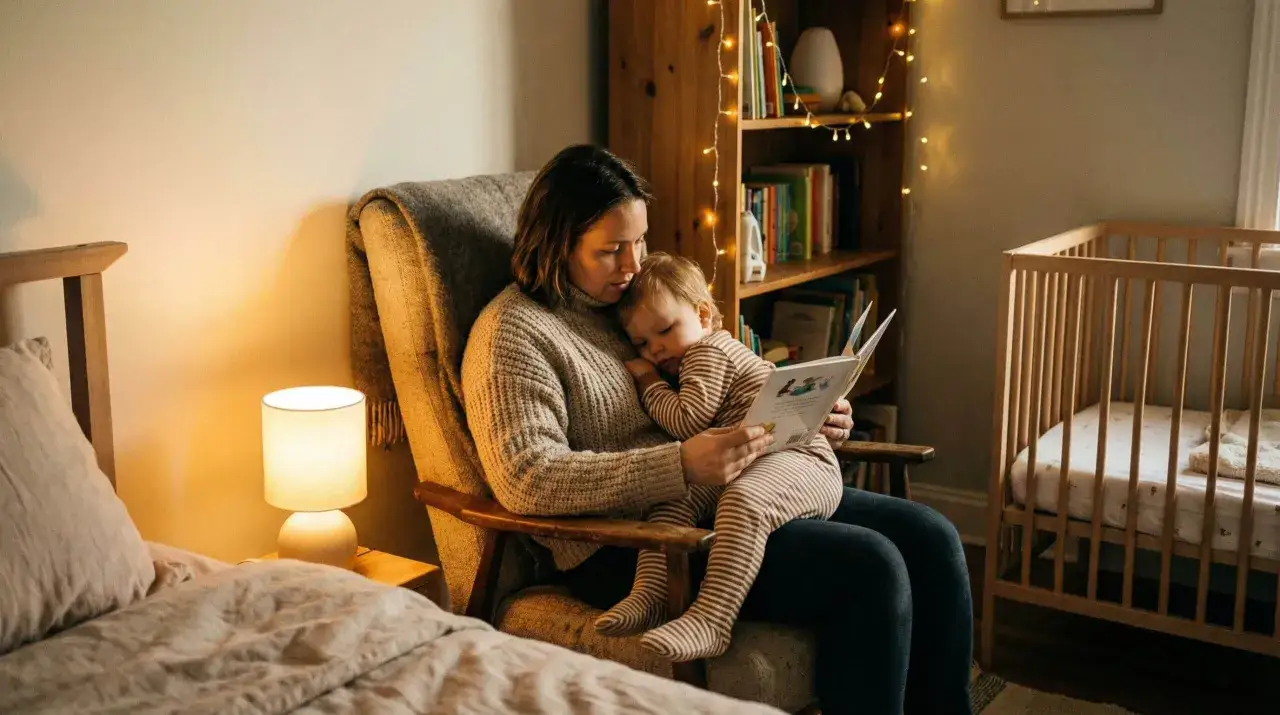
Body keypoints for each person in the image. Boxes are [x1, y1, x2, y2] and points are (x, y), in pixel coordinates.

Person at [461, 144, 973, 715]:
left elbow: (723, 379)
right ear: (557, 245)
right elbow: (527, 479)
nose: (633, 266)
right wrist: (679, 466)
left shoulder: (628, 302)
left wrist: (805, 417)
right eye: (612, 250)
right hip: (633, 542)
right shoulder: (512, 336)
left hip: (724, 488)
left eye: (640, 241)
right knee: (870, 566)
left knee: (931, 535)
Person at [600, 252, 843, 662]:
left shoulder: (707, 352)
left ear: (704, 315)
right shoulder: (703, 350)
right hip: (752, 461)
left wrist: (647, 380)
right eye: (642, 343)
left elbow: (686, 420)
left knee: (744, 500)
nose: (656, 349)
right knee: (670, 501)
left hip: (801, 458)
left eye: (664, 330)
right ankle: (649, 594)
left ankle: (713, 620)